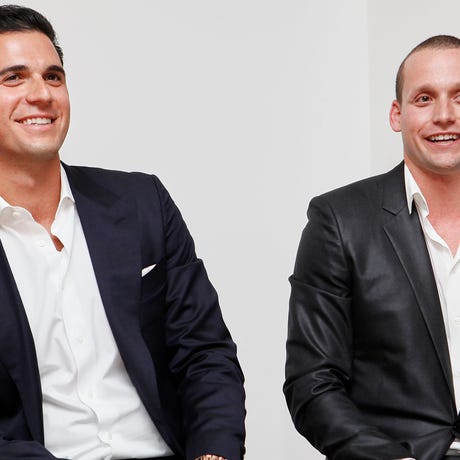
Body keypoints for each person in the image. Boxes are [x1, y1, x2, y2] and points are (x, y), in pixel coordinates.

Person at [0, 5, 245, 460]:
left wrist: (212, 454)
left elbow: (205, 353)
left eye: (53, 77)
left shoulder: (141, 202)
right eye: (13, 78)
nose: (42, 94)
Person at [284, 34, 460, 460]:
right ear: (397, 115)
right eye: (424, 98)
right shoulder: (339, 221)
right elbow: (312, 383)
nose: (444, 115)